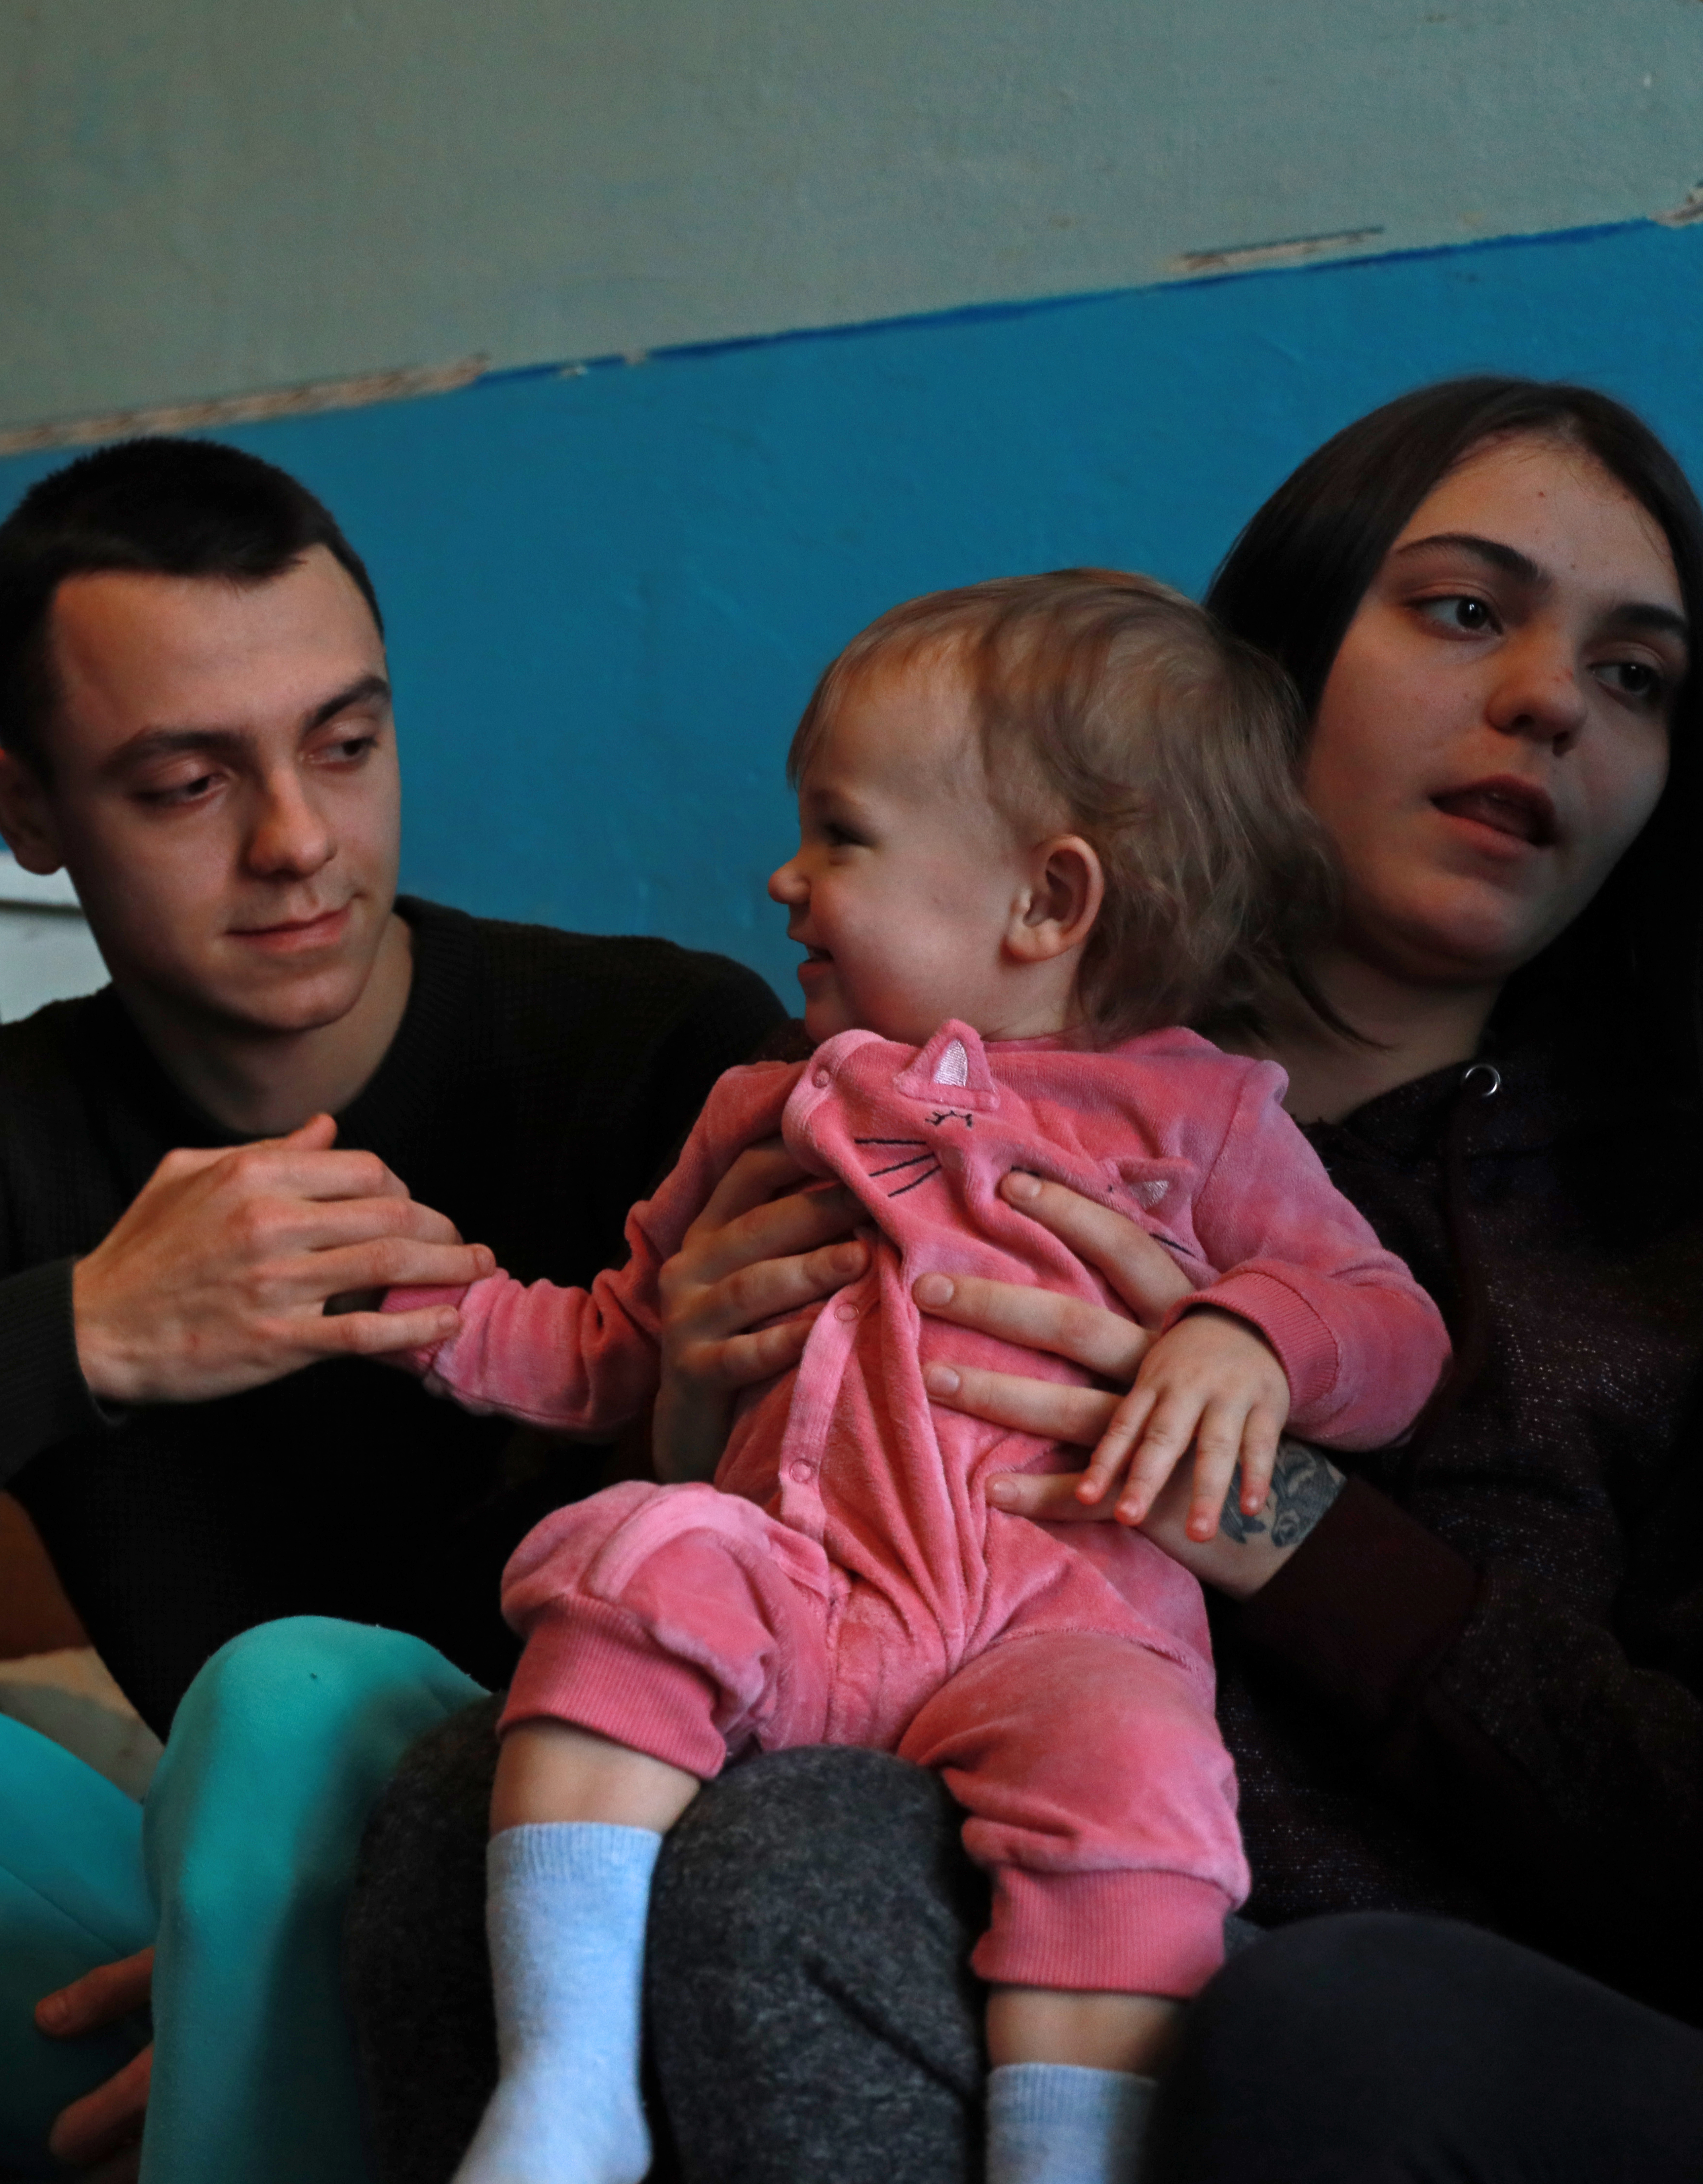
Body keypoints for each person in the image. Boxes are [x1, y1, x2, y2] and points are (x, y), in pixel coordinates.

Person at [348, 377, 1703, 2184]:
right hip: (877, 1735)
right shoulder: (896, 1077)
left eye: (1638, 676)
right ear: (1264, 681)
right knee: (440, 1790)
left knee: (815, 1865)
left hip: (1349, 2004)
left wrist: (1279, 1506)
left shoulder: (1646, 1255)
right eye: (1468, 610)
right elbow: (595, 1546)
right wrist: (683, 1413)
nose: (1549, 698)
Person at [0, 435, 788, 2183]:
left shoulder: (664, 1056)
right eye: (186, 785)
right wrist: (85, 1333)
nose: (300, 841)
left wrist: (350, 1939)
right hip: (196, 1954)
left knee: (292, 1696)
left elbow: (898, 1589)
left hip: (579, 1949)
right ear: (25, 810)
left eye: (347, 742)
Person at [392, 573, 1447, 2184]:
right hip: (808, 1585)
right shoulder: (774, 1104)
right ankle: (567, 2081)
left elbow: (1391, 1326)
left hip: (1063, 1631)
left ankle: (1072, 2159)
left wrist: (1252, 1337)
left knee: (1147, 1784)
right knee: (635, 1567)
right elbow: (614, 1337)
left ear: (1047, 900)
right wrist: (440, 1315)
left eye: (841, 835)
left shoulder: (1209, 1123)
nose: (785, 877)